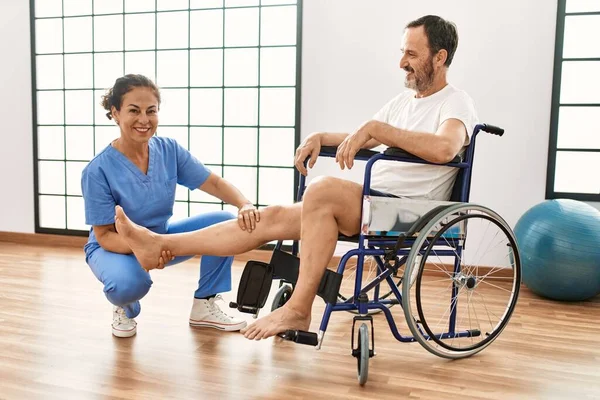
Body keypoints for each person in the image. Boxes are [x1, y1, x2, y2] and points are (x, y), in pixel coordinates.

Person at [112, 15, 478, 340]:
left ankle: (300, 308)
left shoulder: (455, 101)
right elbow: (361, 136)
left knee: (322, 189)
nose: (402, 63)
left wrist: (377, 129)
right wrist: (321, 137)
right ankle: (160, 244)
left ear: (440, 57)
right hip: (375, 201)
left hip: (411, 214)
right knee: (269, 217)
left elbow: (445, 148)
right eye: (403, 53)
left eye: (411, 55)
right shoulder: (403, 103)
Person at [81, 74, 259, 337]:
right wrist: (144, 245)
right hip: (115, 247)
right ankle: (124, 305)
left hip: (162, 238)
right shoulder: (97, 171)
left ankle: (204, 305)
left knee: (225, 222)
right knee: (129, 284)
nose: (144, 120)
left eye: (151, 111)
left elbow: (212, 182)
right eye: (134, 110)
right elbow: (105, 235)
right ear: (115, 113)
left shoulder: (169, 150)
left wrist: (244, 204)